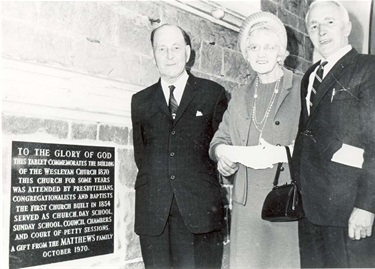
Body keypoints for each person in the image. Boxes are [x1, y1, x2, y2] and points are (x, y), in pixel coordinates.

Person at [131, 24, 228, 269]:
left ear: (187, 53)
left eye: (175, 48)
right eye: (161, 49)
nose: (169, 55)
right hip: (154, 216)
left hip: (199, 214)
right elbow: (141, 155)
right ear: (154, 56)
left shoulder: (212, 93)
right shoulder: (140, 101)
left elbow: (221, 145)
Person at [209, 11, 301, 268]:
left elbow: (317, 144)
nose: (261, 54)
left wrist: (280, 154)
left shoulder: (301, 89)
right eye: (254, 47)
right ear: (246, 54)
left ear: (281, 52)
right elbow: (219, 140)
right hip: (247, 206)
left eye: (269, 47)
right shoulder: (240, 96)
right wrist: (222, 158)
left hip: (286, 204)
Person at [292, 0, 375, 267]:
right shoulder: (310, 76)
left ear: (347, 27)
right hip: (310, 210)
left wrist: (366, 206)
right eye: (314, 25)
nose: (321, 30)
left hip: (348, 212)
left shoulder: (368, 68)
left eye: (329, 22)